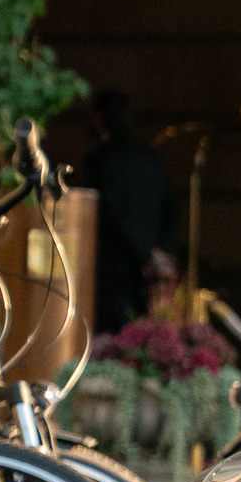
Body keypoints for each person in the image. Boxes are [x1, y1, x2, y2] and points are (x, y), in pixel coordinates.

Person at [78, 89, 180, 332]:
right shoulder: (152, 160)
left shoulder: (99, 162)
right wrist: (157, 251)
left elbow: (109, 216)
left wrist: (141, 253)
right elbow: (172, 211)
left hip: (109, 271)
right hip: (145, 271)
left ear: (100, 117)